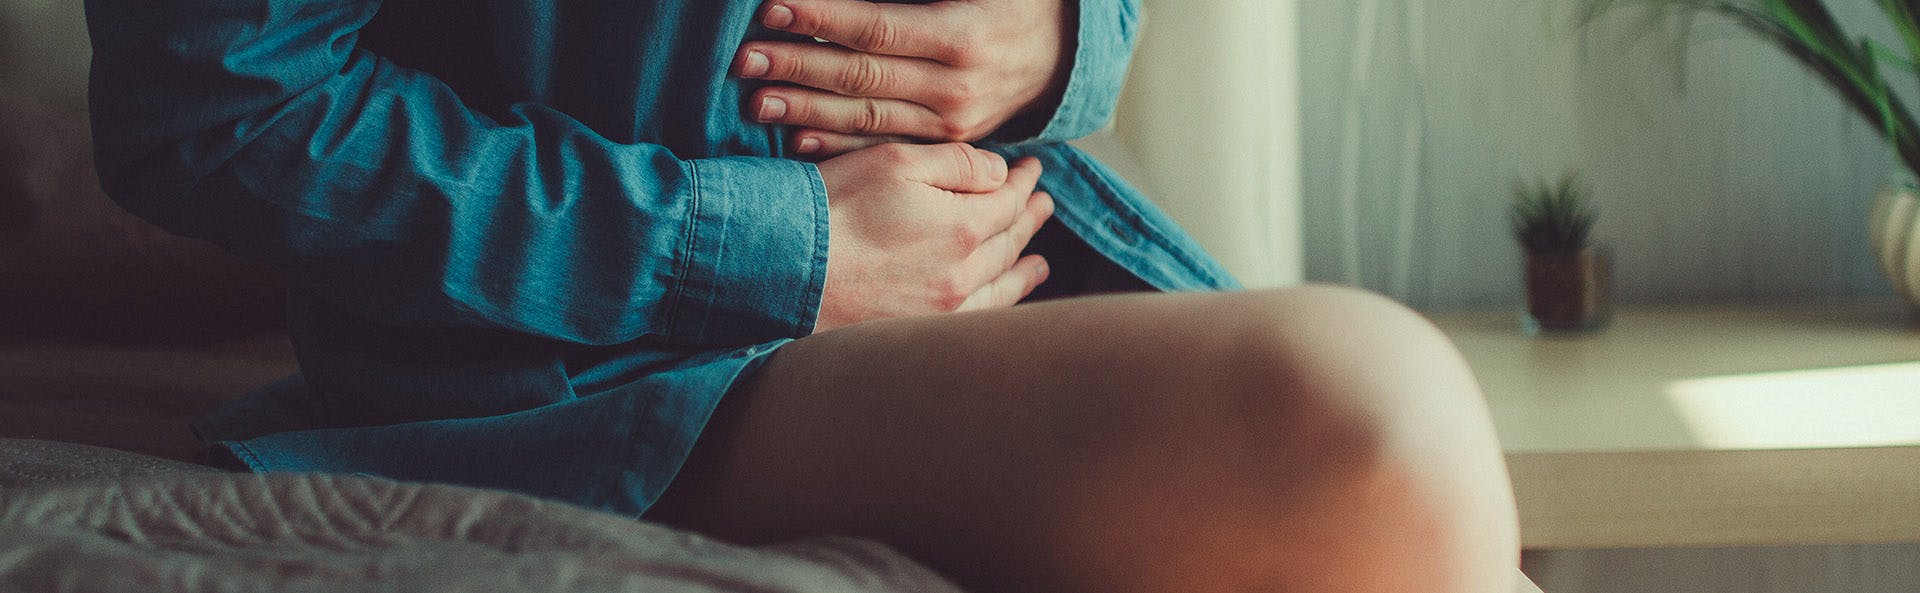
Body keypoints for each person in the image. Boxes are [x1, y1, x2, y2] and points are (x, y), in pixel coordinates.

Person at [82, 0, 1522, 591]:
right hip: (577, 370)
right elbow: (210, 110)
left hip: (1009, 257)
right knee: (1361, 411)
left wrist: (1058, 42)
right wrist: (774, 242)